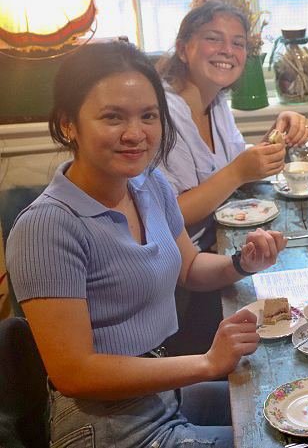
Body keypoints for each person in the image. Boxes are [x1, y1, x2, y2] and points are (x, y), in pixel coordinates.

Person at [6, 41, 284, 447]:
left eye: (149, 116)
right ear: (69, 124)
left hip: (158, 393)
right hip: (102, 425)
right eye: (112, 117)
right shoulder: (46, 227)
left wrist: (241, 263)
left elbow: (189, 269)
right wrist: (207, 362)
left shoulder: (149, 184)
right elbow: (73, 372)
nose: (135, 134)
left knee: (300, 411)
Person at [157, 0, 308, 252]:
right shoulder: (161, 115)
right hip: (186, 263)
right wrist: (238, 172)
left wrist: (277, 132)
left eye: (238, 43)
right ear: (183, 49)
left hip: (222, 240)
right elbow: (172, 213)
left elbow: (240, 168)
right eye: (213, 39)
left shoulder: (215, 101)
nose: (228, 50)